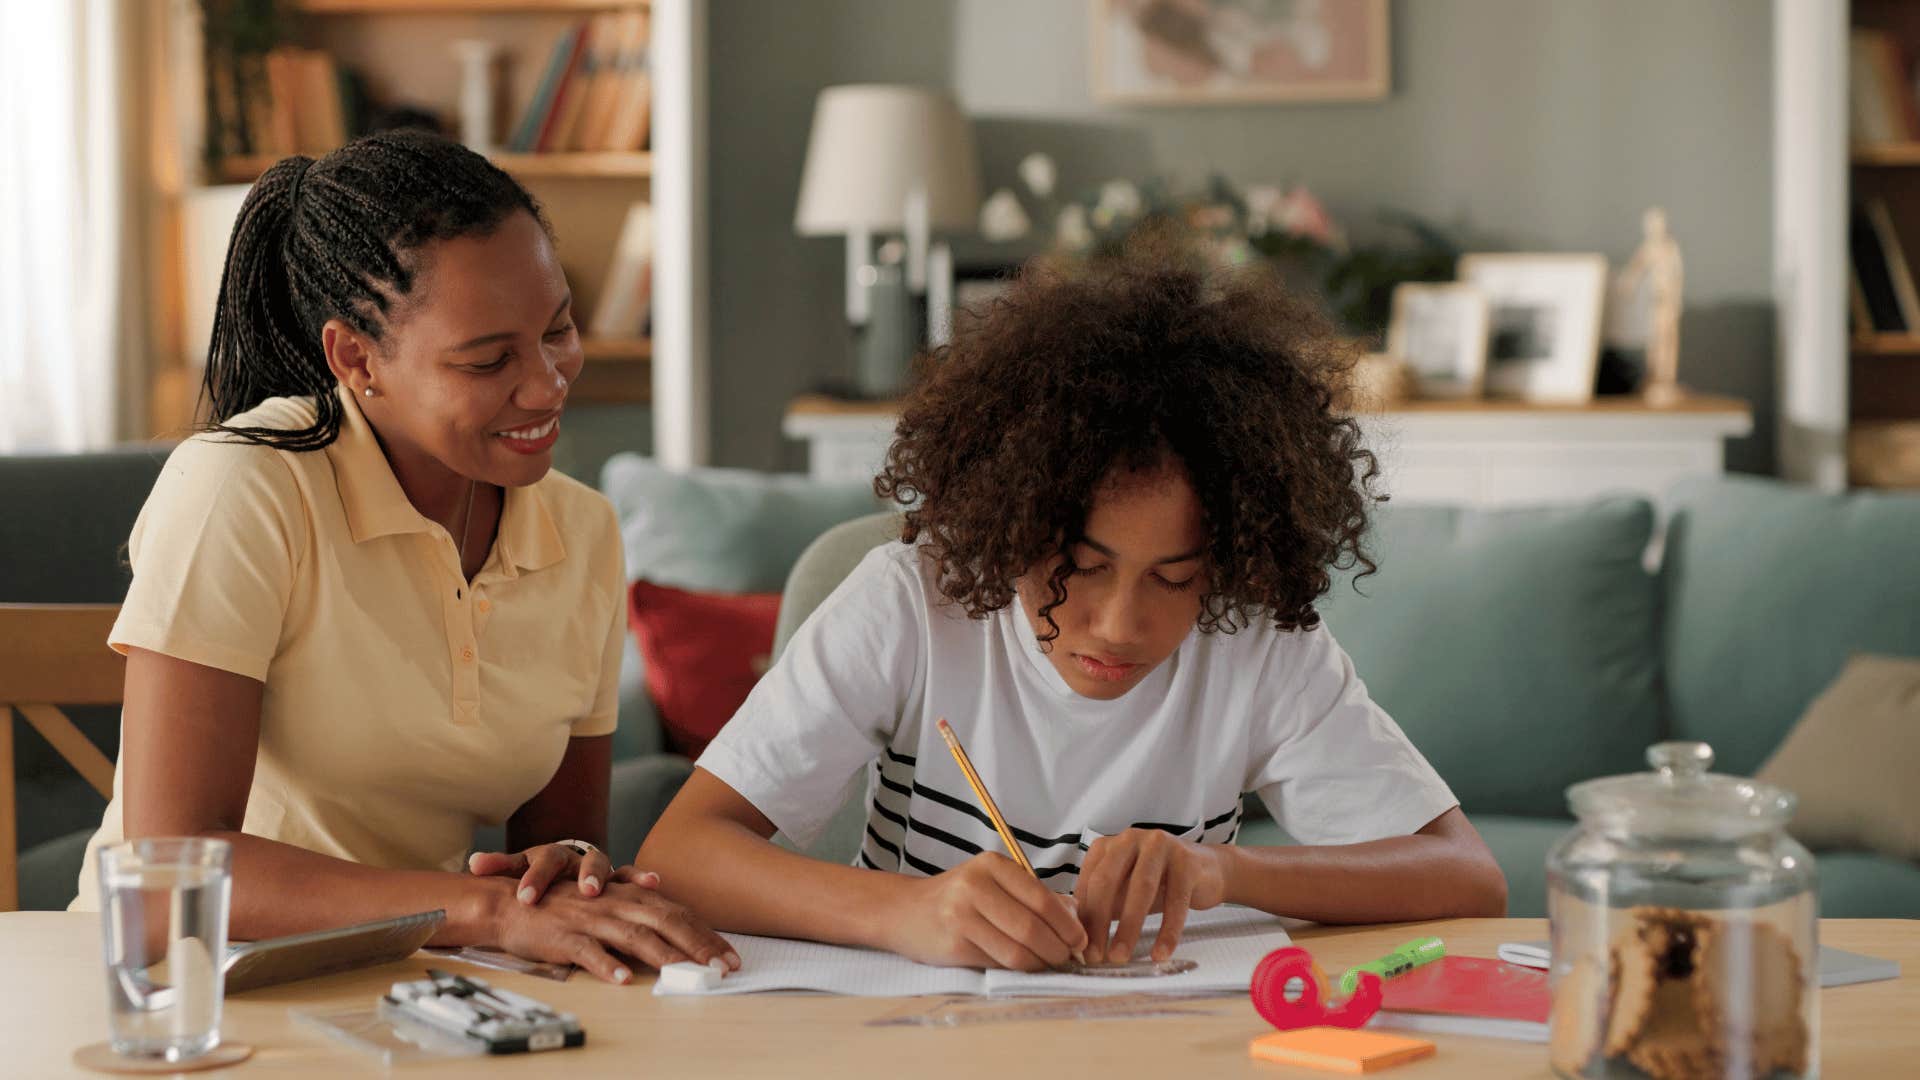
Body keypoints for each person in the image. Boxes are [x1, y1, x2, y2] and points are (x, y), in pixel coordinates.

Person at [638, 238, 1507, 972]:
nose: (1123, 625)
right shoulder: (911, 604)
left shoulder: (1258, 640)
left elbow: (1466, 876)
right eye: (1081, 567)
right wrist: (904, 914)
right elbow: (682, 853)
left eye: (1176, 577)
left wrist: (1224, 873)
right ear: (1011, 521)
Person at [71, 130, 734, 985]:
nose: (547, 383)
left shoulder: (584, 533)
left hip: (410, 990)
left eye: (558, 329)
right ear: (356, 358)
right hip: (174, 996)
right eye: (489, 358)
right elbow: (169, 876)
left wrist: (564, 872)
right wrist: (482, 911)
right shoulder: (244, 487)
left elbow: (557, 846)